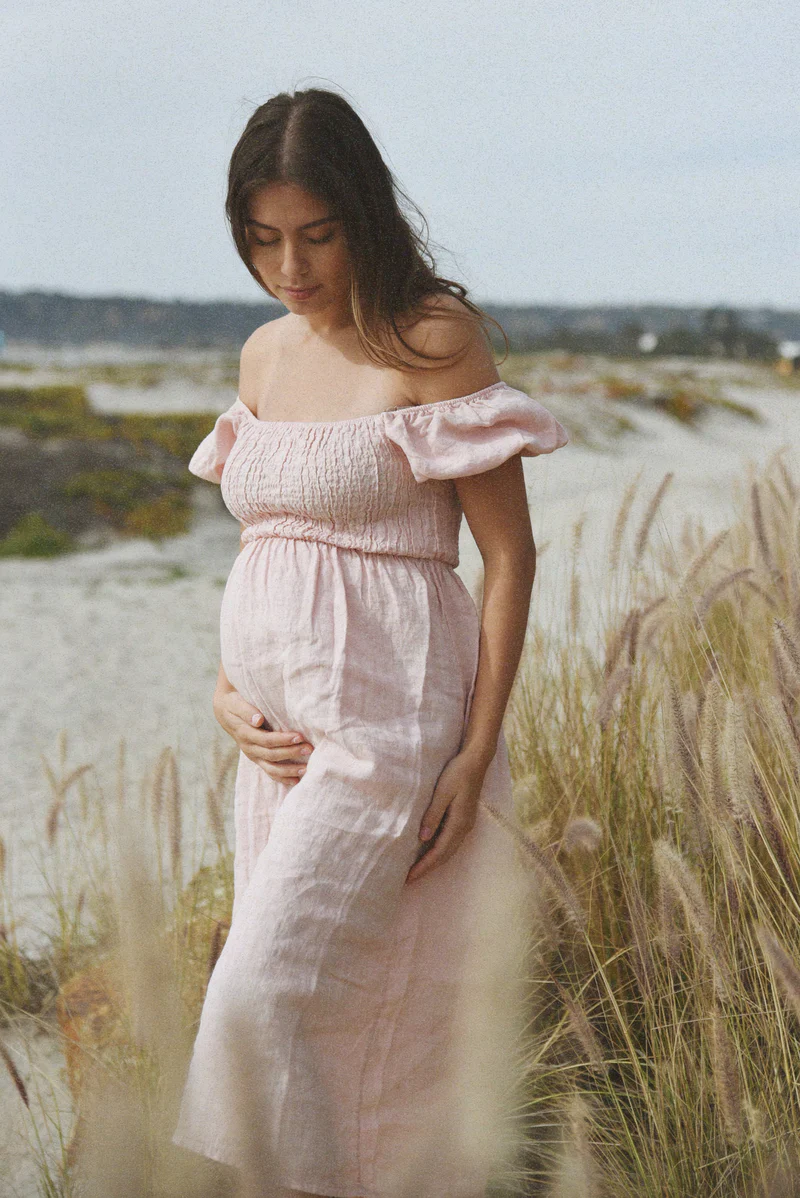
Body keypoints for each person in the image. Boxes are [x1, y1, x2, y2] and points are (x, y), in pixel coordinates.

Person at [171, 87, 568, 1198]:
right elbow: (265, 549)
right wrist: (222, 686)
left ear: (363, 215)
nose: (288, 266)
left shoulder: (431, 337)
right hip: (278, 745)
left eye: (315, 235)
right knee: (328, 1005)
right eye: (262, 240)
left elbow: (508, 557)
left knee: (256, 992)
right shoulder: (262, 355)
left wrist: (472, 752)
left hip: (388, 721)